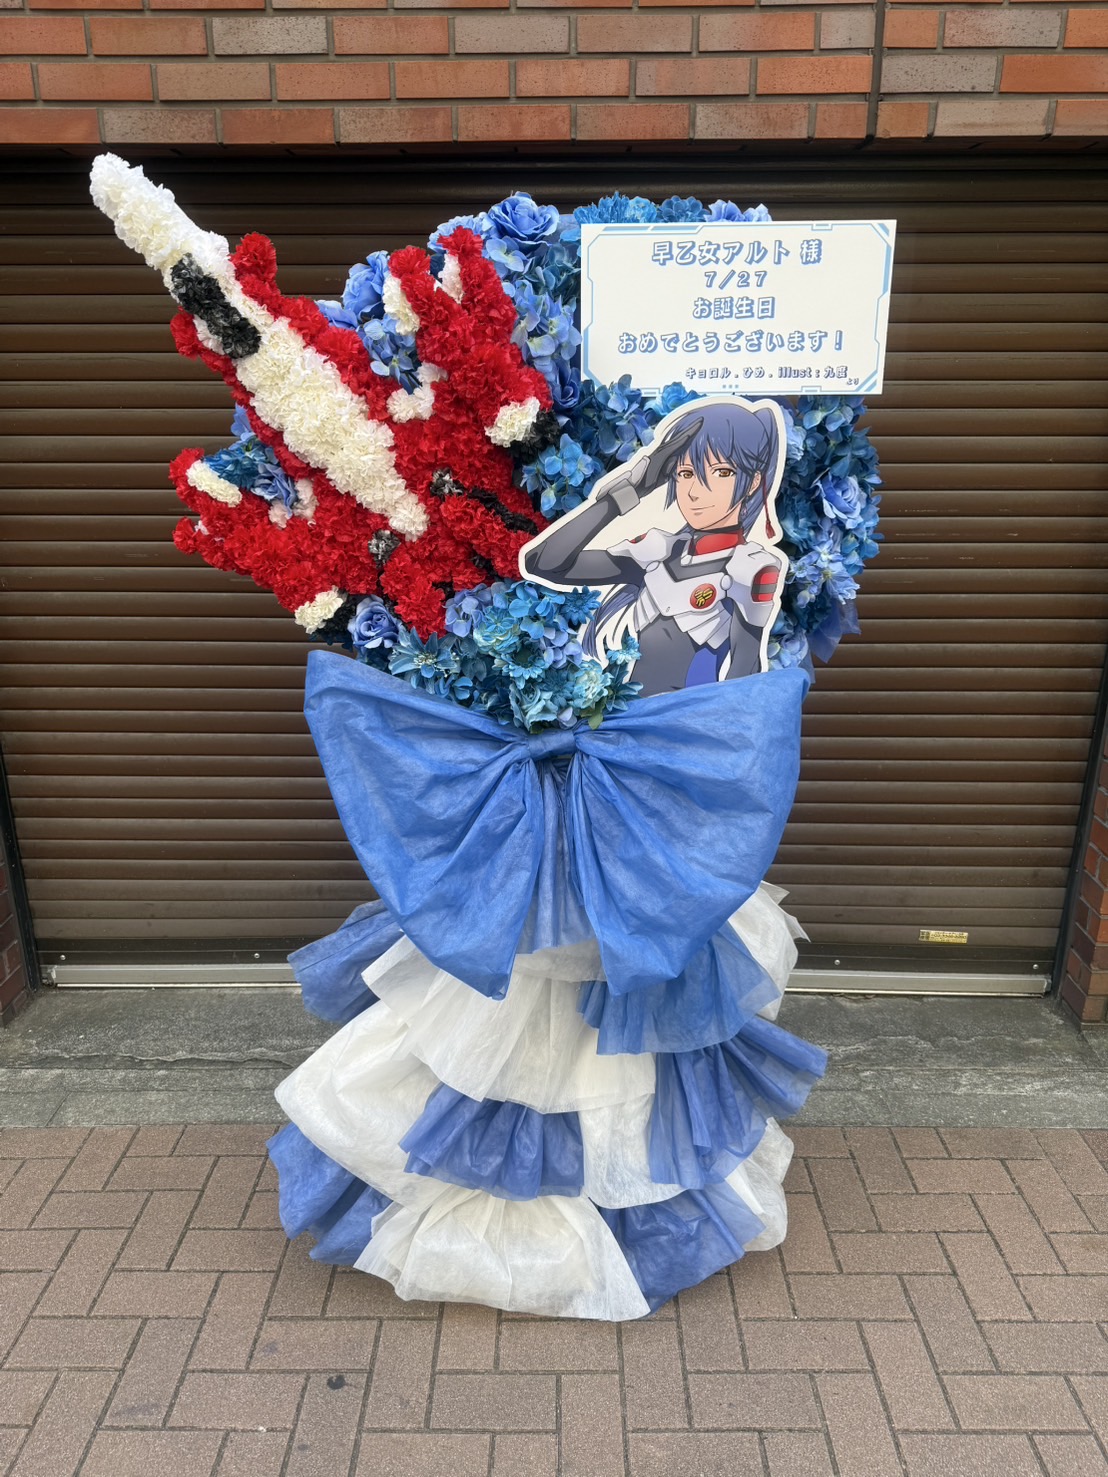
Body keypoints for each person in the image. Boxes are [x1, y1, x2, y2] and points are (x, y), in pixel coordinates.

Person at [521, 398, 787, 698]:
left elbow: (744, 677)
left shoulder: (748, 568)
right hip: (629, 716)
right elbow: (544, 563)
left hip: (690, 720)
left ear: (752, 482)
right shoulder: (658, 552)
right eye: (685, 473)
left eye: (721, 472)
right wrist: (627, 493)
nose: (695, 491)